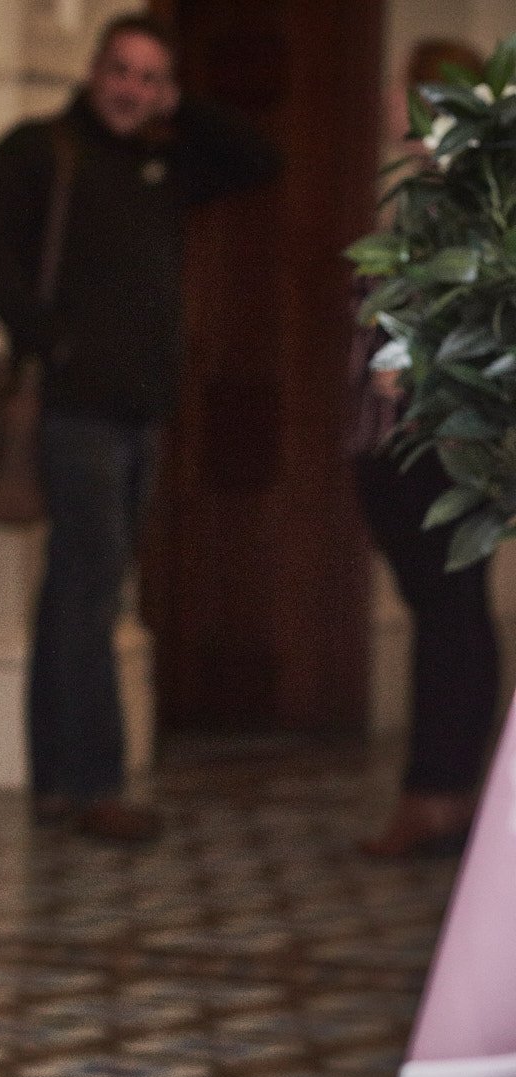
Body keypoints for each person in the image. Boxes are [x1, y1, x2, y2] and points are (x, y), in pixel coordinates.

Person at [0, 12, 277, 843]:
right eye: (123, 71)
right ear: (94, 71)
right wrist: (47, 333)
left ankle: (59, 784)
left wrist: (185, 104)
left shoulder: (164, 161)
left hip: (142, 410)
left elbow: (259, 162)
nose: (132, 90)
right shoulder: (41, 151)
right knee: (92, 589)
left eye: (150, 77)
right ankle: (93, 783)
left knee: (77, 591)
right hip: (71, 409)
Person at [353, 39, 499, 860]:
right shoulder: (415, 189)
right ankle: (443, 790)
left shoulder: (458, 196)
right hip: (398, 434)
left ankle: (438, 792)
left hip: (434, 431)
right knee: (448, 610)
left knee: (451, 612)